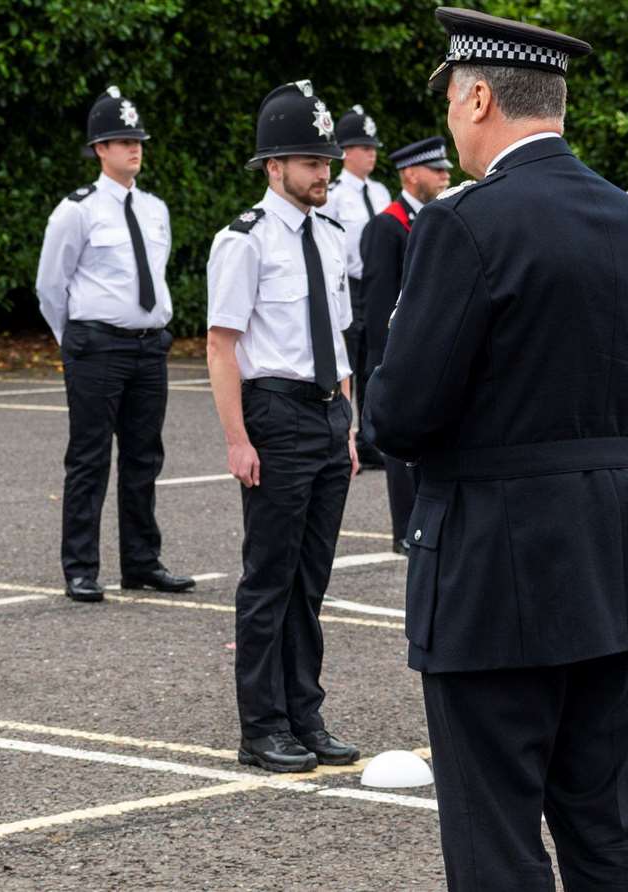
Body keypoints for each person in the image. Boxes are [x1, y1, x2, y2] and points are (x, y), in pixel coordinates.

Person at [367, 9, 628, 889]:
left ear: (476, 97)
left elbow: (403, 412)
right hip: (614, 553)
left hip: (492, 565)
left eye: (454, 101)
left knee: (494, 831)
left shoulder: (464, 224)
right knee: (604, 820)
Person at [206, 79, 361, 774]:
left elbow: (339, 334)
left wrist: (349, 422)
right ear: (275, 167)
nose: (323, 172)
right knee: (269, 578)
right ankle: (261, 725)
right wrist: (238, 438)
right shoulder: (243, 241)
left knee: (312, 578)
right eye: (309, 162)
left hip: (328, 413)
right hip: (275, 411)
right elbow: (221, 345)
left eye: (326, 160)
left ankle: (305, 712)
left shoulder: (330, 235)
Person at [34, 85, 195, 601]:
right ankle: (81, 566)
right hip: (97, 345)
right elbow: (49, 286)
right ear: (99, 149)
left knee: (145, 456)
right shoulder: (77, 210)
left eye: (138, 139)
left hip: (149, 346)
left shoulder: (154, 209)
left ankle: (141, 561)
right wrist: (74, 340)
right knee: (89, 457)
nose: (134, 148)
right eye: (122, 140)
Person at [360, 135, 451, 554]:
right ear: (411, 174)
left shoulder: (435, 218)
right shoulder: (388, 224)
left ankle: (426, 523)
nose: (445, 174)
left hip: (429, 350)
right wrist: (386, 358)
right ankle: (405, 528)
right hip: (399, 349)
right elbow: (379, 300)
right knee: (400, 452)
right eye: (437, 169)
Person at [322, 104, 391, 469]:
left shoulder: (380, 192)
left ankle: (370, 438)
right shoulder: (334, 193)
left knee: (374, 363)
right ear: (345, 150)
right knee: (346, 363)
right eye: (364, 147)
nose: (371, 153)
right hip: (347, 286)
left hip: (376, 286)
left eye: (373, 146)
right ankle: (345, 436)